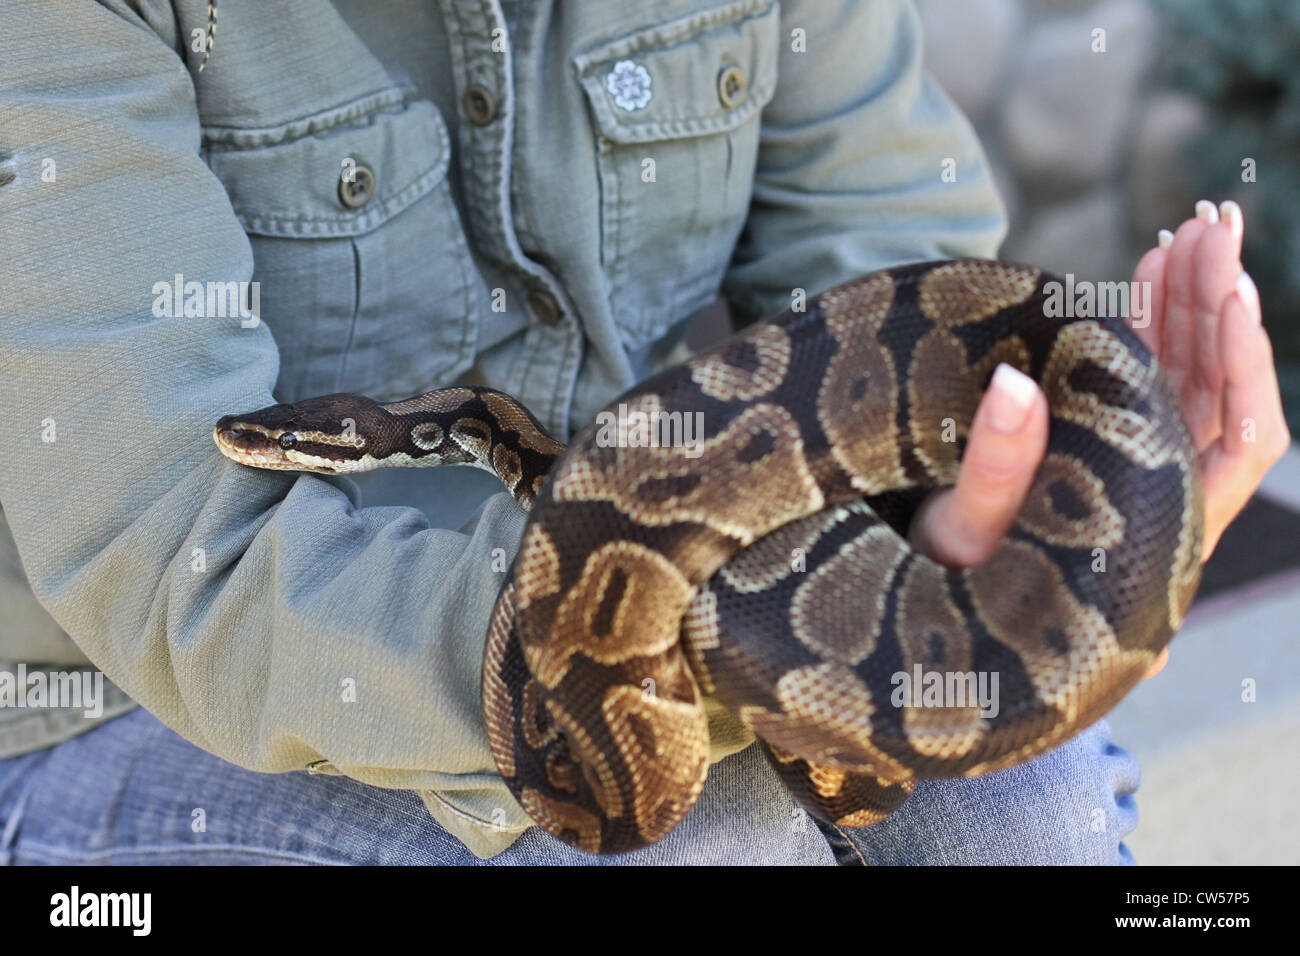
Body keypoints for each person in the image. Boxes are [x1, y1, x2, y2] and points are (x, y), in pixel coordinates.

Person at [0, 0, 1287, 866]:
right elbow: (181, 552)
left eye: (294, 441)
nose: (276, 440)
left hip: (668, 550)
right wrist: (738, 650)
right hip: (137, 696)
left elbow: (890, 263)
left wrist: (988, 533)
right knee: (720, 848)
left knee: (1030, 825)